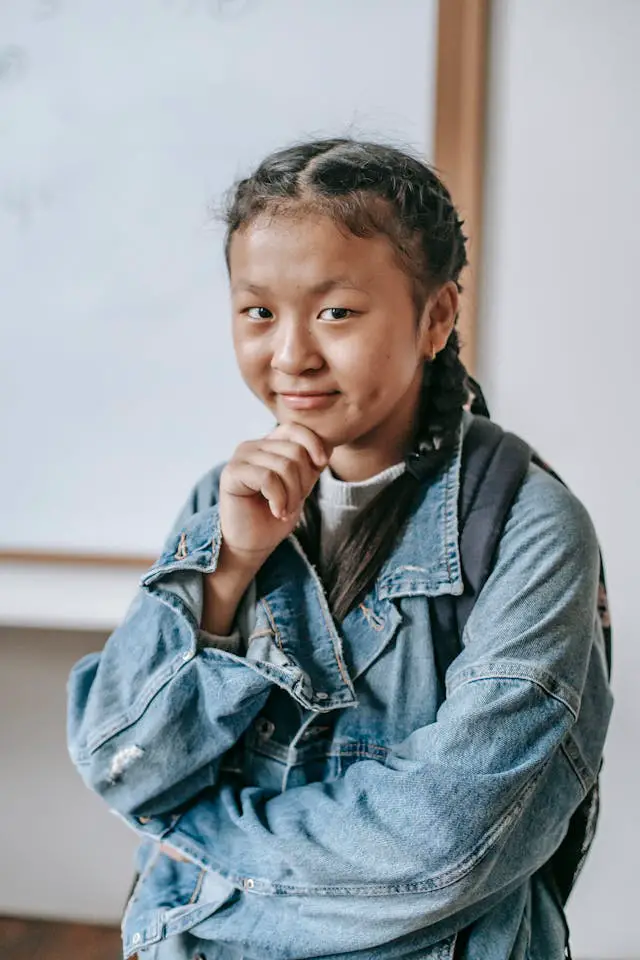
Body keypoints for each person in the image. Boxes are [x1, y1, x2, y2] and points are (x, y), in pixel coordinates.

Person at [67, 139, 613, 960]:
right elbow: (120, 761)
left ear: (436, 317)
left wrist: (194, 848)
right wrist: (227, 571)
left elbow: (444, 849)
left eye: (336, 312)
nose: (290, 355)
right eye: (258, 312)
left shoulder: (529, 527)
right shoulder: (224, 499)